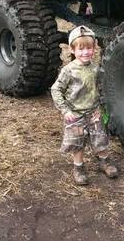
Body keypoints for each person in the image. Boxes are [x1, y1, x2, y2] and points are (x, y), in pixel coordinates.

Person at [51, 25, 119, 185]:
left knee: (100, 139)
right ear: (73, 50)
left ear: (94, 48)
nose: (85, 52)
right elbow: (56, 89)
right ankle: (79, 167)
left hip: (93, 112)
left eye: (89, 48)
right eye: (81, 49)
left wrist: (100, 108)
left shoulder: (96, 69)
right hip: (75, 114)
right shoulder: (69, 71)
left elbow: (101, 90)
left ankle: (104, 162)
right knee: (77, 143)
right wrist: (65, 110)